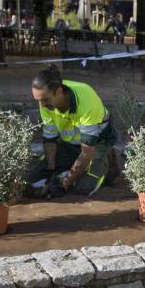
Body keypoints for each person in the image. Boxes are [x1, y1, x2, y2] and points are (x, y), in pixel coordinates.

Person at [26, 67, 118, 198]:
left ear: (59, 91)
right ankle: (69, 165)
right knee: (31, 181)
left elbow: (87, 152)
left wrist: (65, 183)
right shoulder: (45, 102)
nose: (42, 105)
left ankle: (107, 156)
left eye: (45, 99)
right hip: (69, 144)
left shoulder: (87, 102)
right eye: (38, 100)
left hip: (96, 144)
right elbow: (49, 139)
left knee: (82, 188)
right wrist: (51, 169)